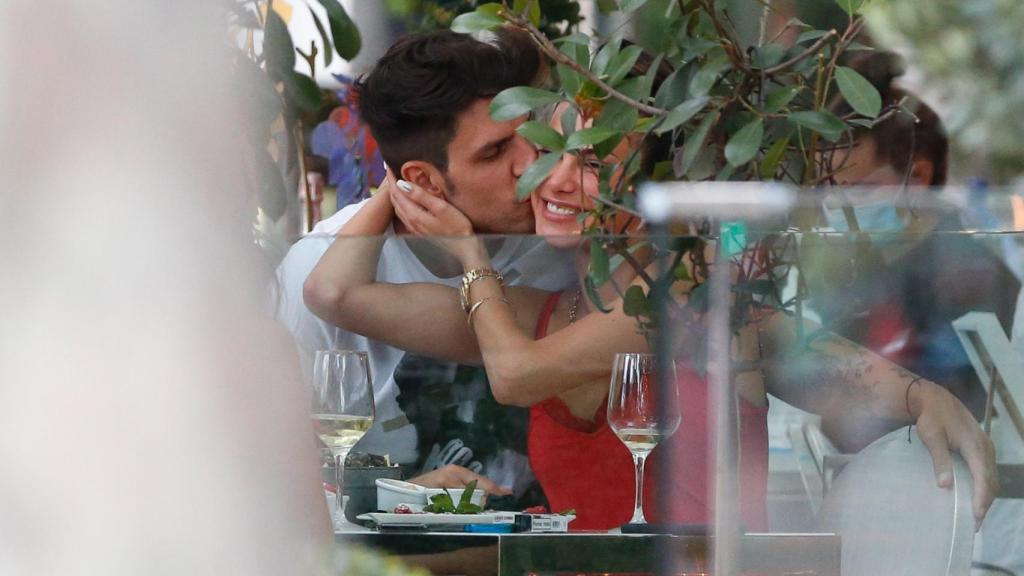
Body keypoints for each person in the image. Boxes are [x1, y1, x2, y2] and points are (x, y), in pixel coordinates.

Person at [306, 52, 998, 529]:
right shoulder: (540, 312)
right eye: (546, 153)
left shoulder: (686, 297)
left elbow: (516, 376)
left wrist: (922, 394)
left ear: (651, 186)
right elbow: (333, 293)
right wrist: (403, 184)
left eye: (592, 163)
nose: (554, 180)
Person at [275, 29, 573, 495]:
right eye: (494, 151)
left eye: (528, 134)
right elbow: (280, 484)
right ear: (422, 180)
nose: (530, 161)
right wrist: (404, 495)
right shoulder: (316, 265)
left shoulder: (565, 248)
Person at [811, 51, 1021, 451]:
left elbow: (965, 411)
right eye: (827, 192)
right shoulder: (864, 267)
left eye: (858, 191)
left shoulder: (967, 277)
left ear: (918, 177)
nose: (836, 207)